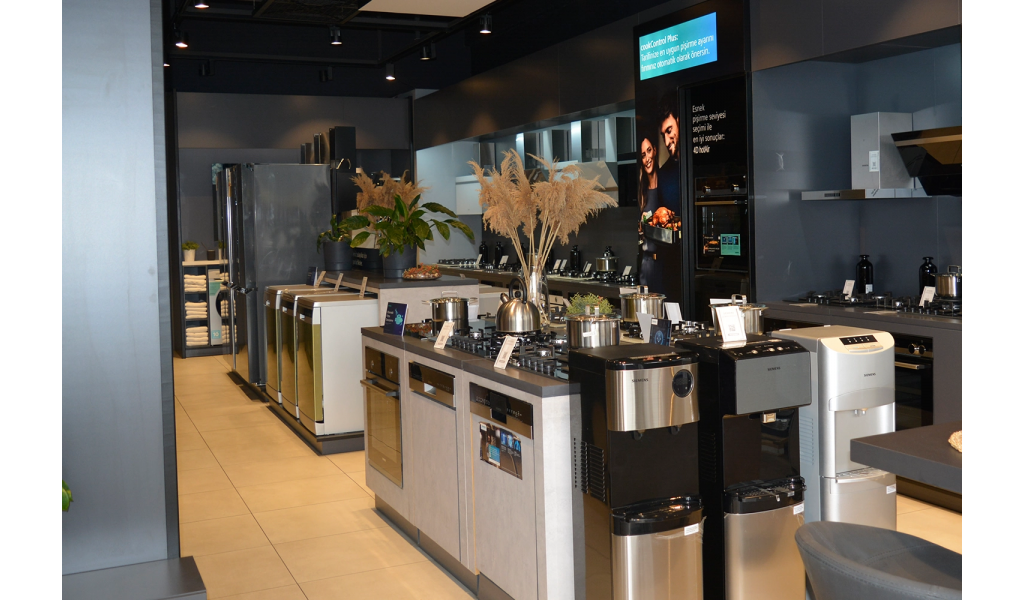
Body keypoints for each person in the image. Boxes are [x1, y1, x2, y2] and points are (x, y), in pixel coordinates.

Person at [638, 135, 664, 291]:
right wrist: (641, 228)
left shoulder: (666, 185)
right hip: (647, 264)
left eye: (649, 151)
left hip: (665, 264)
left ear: (654, 150)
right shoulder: (642, 193)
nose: (647, 158)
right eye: (643, 155)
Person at [657, 96, 682, 214]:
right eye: (663, 135)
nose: (666, 142)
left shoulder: (700, 164)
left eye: (669, 131)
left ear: (679, 122)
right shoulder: (662, 176)